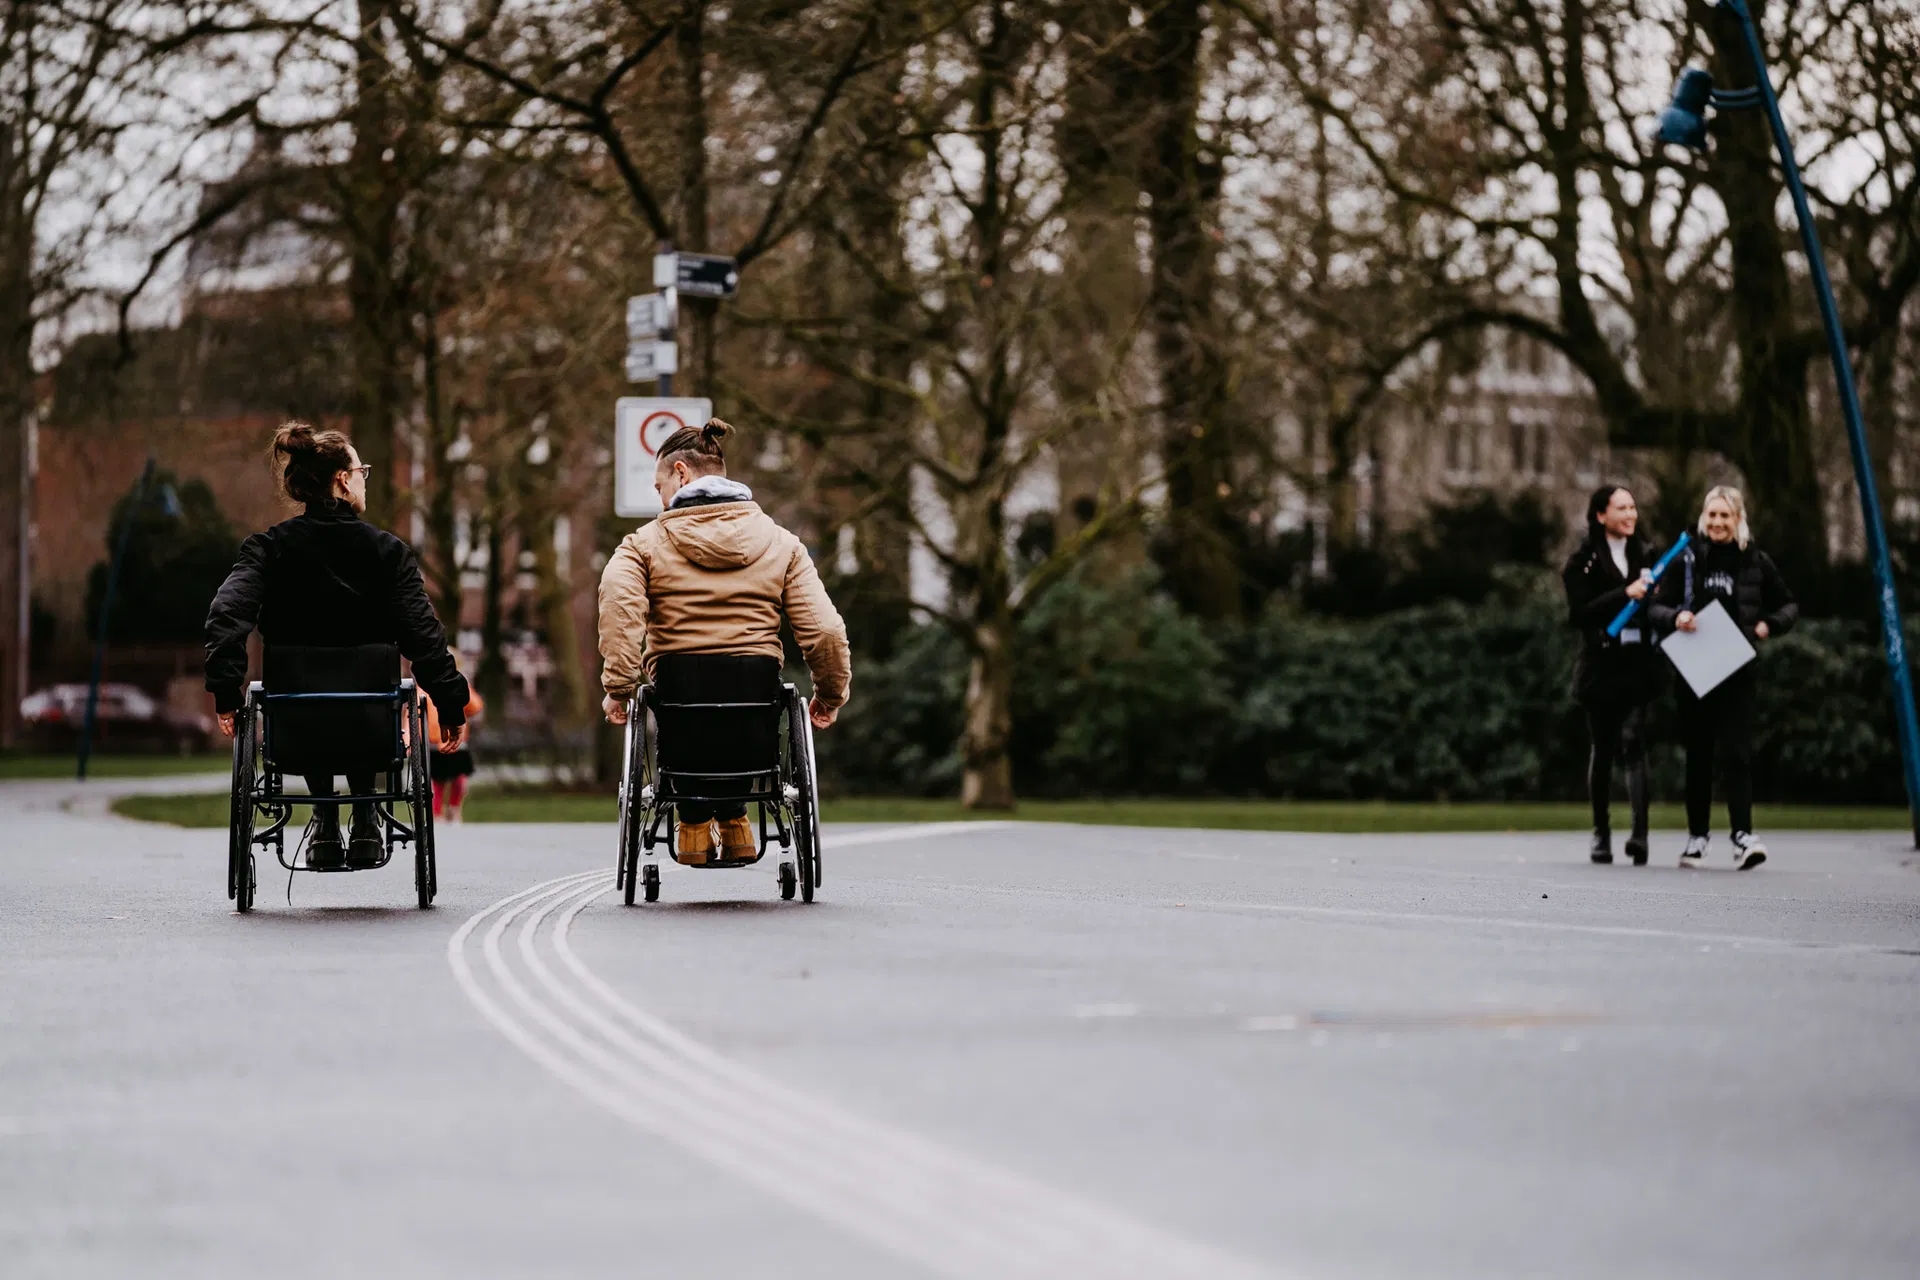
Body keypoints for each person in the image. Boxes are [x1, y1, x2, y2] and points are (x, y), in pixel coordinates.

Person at [205, 422, 469, 869]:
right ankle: (366, 815)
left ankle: (325, 817)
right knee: (367, 691)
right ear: (343, 480)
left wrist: (227, 690)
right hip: (372, 724)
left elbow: (226, 616)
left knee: (308, 697)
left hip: (296, 727)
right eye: (361, 469)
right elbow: (423, 634)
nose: (366, 476)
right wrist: (449, 700)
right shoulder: (388, 552)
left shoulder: (270, 549)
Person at [597, 418, 851, 865]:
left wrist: (618, 688)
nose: (658, 499)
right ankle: (736, 822)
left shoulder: (641, 546)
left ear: (680, 474)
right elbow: (825, 630)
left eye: (659, 487)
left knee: (681, 705)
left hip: (679, 693)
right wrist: (829, 695)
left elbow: (620, 611)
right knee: (750, 708)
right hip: (753, 691)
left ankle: (693, 828)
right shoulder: (782, 543)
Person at [1647, 485, 1797, 870]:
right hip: (1695, 668)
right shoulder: (1687, 559)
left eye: (1724, 515)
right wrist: (1675, 618)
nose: (1716, 522)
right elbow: (1654, 607)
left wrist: (1768, 624)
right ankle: (1697, 838)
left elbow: (1789, 604)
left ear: (1738, 519)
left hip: (1737, 667)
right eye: (1711, 515)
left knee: (1737, 754)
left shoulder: (1755, 562)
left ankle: (1743, 837)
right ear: (1703, 518)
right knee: (1698, 755)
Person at [1562, 485, 1660, 866]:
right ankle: (1600, 833)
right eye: (1622, 508)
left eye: (1633, 507)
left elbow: (1659, 601)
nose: (1631, 514)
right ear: (1601, 515)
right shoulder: (1581, 563)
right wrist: (1626, 593)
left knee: (1635, 741)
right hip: (1601, 667)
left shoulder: (1648, 555)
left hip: (1639, 664)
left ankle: (1640, 835)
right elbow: (1580, 614)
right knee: (1603, 748)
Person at [427, 647, 484, 822]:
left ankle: (453, 808)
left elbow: (474, 706)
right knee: (437, 781)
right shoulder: (426, 686)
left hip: (456, 739)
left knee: (458, 778)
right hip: (435, 740)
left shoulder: (459, 684)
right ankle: (437, 813)